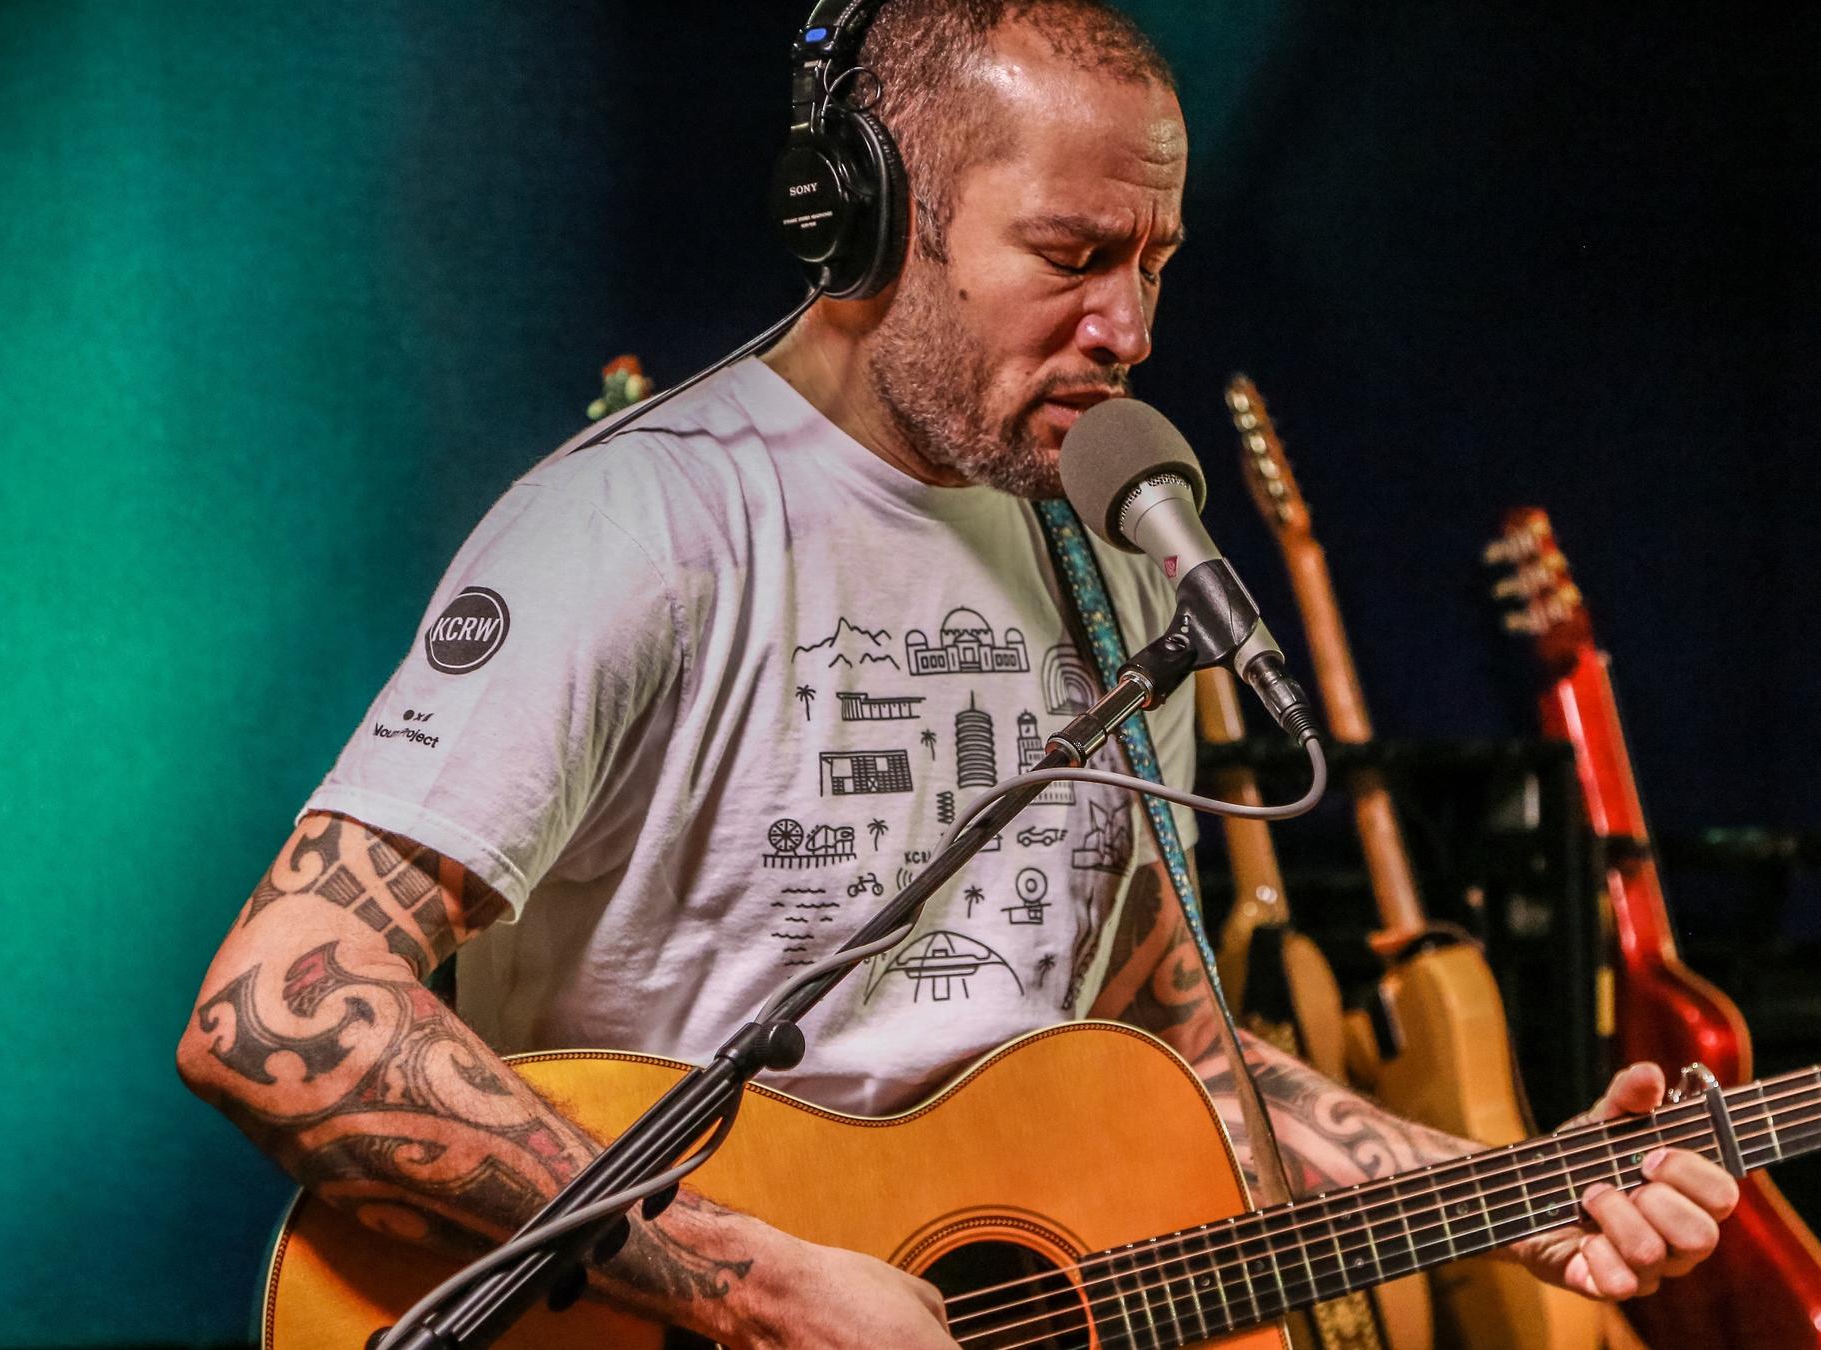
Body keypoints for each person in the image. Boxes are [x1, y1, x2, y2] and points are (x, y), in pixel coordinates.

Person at [175, 3, 1739, 1346]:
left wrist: (1504, 1191)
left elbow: (1180, 1058)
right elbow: (270, 1010)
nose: (1126, 325)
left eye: (1155, 261)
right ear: (872, 222)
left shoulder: (1117, 546)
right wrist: (748, 1283)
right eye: (1070, 254)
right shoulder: (646, 524)